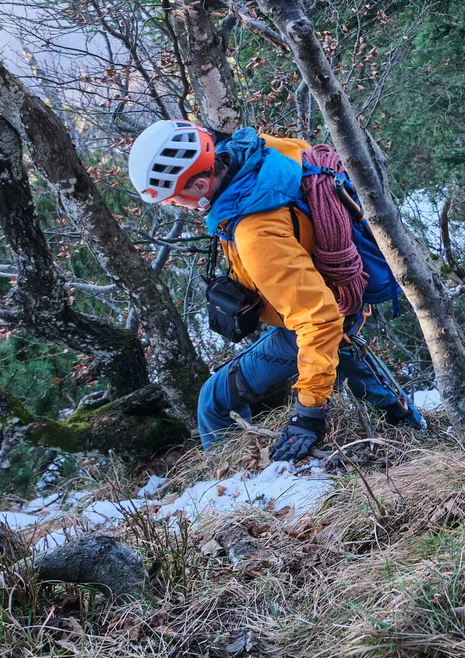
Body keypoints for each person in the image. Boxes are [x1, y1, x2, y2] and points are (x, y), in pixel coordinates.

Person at [128, 119, 421, 460]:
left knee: (213, 401)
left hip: (318, 320)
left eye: (175, 199)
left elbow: (317, 319)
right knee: (354, 370)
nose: (178, 206)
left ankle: (236, 486)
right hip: (340, 297)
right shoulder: (263, 150)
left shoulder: (256, 234)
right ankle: (413, 427)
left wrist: (308, 415)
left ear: (198, 184)